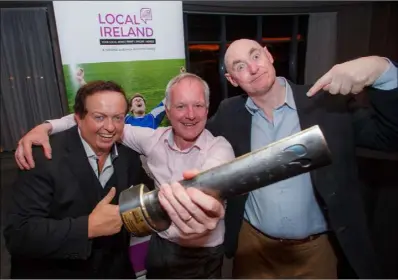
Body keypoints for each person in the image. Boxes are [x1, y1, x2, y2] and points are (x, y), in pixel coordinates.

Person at [205, 39, 398, 278]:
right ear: (232, 80)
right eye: (240, 66)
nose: (253, 68)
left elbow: (390, 136)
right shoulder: (229, 113)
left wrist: (382, 70)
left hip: (316, 252)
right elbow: (196, 136)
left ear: (269, 56)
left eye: (255, 56)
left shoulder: (326, 104)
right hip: (253, 249)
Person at [13, 73, 235, 279]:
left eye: (198, 105)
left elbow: (215, 172)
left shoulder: (219, 148)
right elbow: (94, 117)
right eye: (180, 106)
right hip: (160, 247)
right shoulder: (150, 140)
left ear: (207, 109)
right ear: (167, 110)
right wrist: (47, 127)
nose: (190, 114)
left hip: (203, 254)